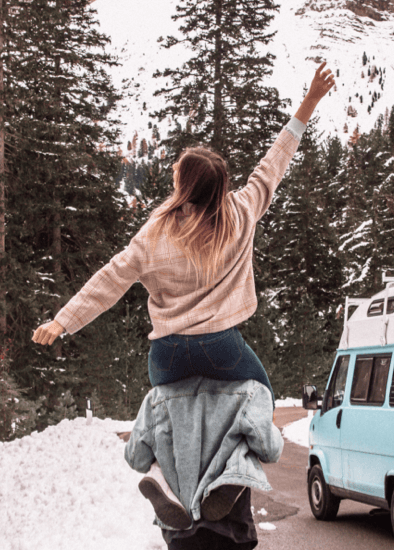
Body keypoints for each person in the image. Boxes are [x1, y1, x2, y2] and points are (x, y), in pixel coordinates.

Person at [31, 61, 334, 528]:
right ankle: (233, 474)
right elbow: (275, 163)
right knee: (258, 398)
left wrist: (63, 321)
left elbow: (109, 281)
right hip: (222, 348)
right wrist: (310, 101)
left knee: (158, 419)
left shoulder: (154, 236)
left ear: (184, 186)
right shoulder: (240, 213)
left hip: (168, 354)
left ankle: (162, 481)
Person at [124, 376, 283, 549]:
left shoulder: (156, 397)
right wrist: (269, 426)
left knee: (161, 454)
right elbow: (270, 451)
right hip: (231, 526)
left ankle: (164, 484)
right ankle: (230, 476)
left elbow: (136, 459)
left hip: (181, 528)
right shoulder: (251, 390)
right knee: (244, 445)